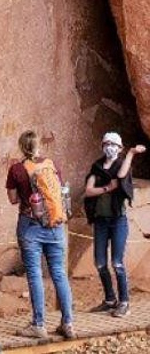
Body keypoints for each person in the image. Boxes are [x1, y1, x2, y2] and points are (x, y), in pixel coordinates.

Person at [6, 129, 75, 340]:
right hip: (55, 225)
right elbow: (60, 192)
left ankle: (39, 325)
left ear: (21, 146)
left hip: (30, 226)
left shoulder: (17, 169)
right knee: (59, 273)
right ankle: (68, 323)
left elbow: (13, 199)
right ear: (38, 146)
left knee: (35, 275)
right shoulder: (51, 165)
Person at [84, 132, 146, 317]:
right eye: (107, 143)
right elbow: (89, 190)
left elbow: (121, 175)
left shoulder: (121, 164)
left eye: (114, 144)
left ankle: (124, 302)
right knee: (100, 263)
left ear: (120, 148)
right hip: (101, 220)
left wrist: (131, 154)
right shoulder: (97, 166)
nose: (109, 147)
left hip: (117, 220)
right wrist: (107, 188)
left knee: (117, 263)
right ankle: (110, 299)